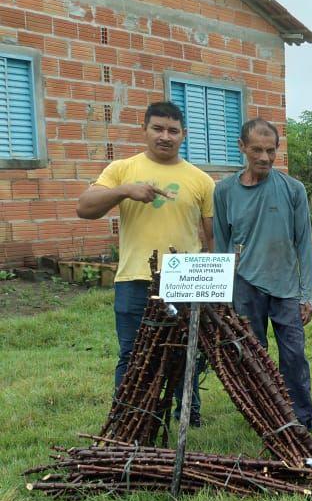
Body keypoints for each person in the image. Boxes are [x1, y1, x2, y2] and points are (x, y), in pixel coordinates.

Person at [77, 100, 214, 427]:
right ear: (145, 130)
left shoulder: (201, 180)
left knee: (185, 351)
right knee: (133, 353)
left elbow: (212, 238)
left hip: (186, 281)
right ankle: (128, 414)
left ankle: (188, 415)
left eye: (173, 130)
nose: (165, 136)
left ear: (184, 134)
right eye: (158, 128)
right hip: (135, 278)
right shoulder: (122, 170)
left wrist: (214, 283)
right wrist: (125, 191)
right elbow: (85, 207)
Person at [213, 119, 312, 432]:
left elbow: (304, 244)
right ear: (241, 147)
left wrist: (306, 293)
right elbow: (221, 243)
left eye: (271, 150)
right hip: (244, 286)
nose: (265, 157)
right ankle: (262, 417)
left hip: (285, 287)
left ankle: (301, 419)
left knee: (294, 355)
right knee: (251, 355)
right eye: (257, 149)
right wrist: (223, 296)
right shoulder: (224, 191)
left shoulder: (293, 189)